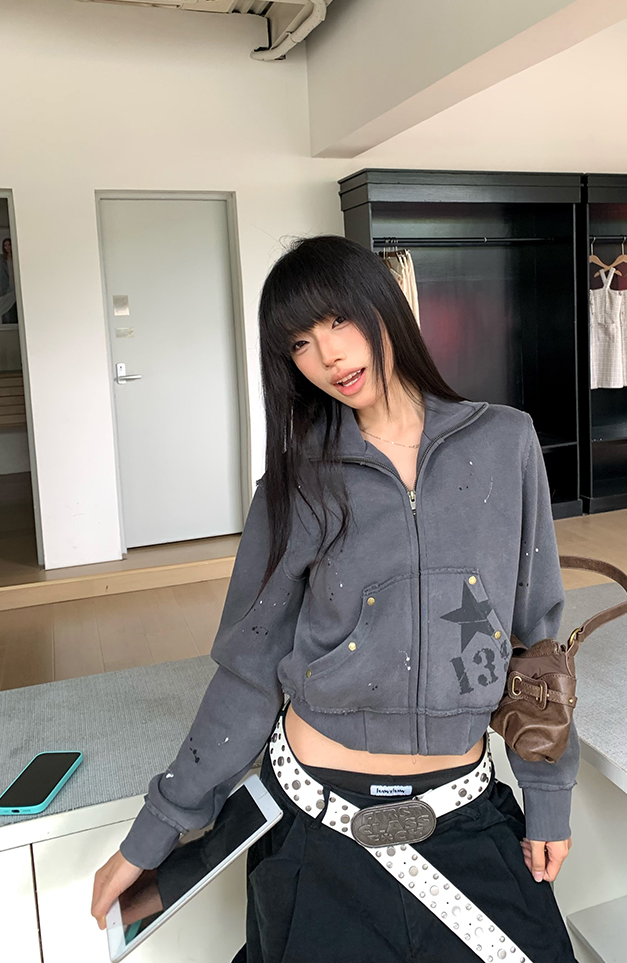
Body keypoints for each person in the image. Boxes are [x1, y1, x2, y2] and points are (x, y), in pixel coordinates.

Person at [92, 235, 578, 962]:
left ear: (384, 308)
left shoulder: (506, 442)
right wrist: (154, 831)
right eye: (300, 343)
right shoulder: (297, 483)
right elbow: (249, 669)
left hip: (465, 810)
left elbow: (537, 639)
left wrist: (547, 795)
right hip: (316, 826)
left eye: (339, 321)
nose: (328, 356)